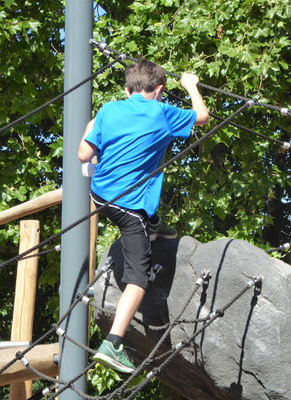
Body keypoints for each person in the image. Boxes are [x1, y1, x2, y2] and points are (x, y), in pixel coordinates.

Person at [78, 58, 209, 373]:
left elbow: (83, 154)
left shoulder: (108, 110)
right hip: (127, 207)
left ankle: (154, 224)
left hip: (99, 194)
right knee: (138, 277)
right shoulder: (161, 112)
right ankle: (113, 343)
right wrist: (191, 85)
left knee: (140, 198)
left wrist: (91, 126)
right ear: (160, 90)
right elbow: (202, 117)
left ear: (127, 89)